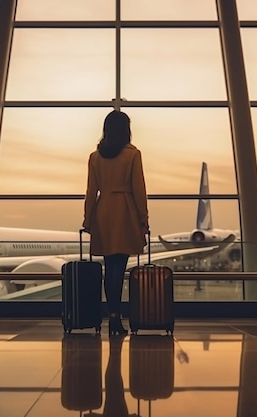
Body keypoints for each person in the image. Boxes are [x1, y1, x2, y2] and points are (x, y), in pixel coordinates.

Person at [83, 110, 149, 336]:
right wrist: (143, 218)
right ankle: (116, 319)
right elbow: (139, 189)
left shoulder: (95, 156)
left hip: (103, 212)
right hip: (124, 211)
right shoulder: (132, 154)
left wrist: (88, 219)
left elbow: (91, 191)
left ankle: (112, 315)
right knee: (118, 268)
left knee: (109, 266)